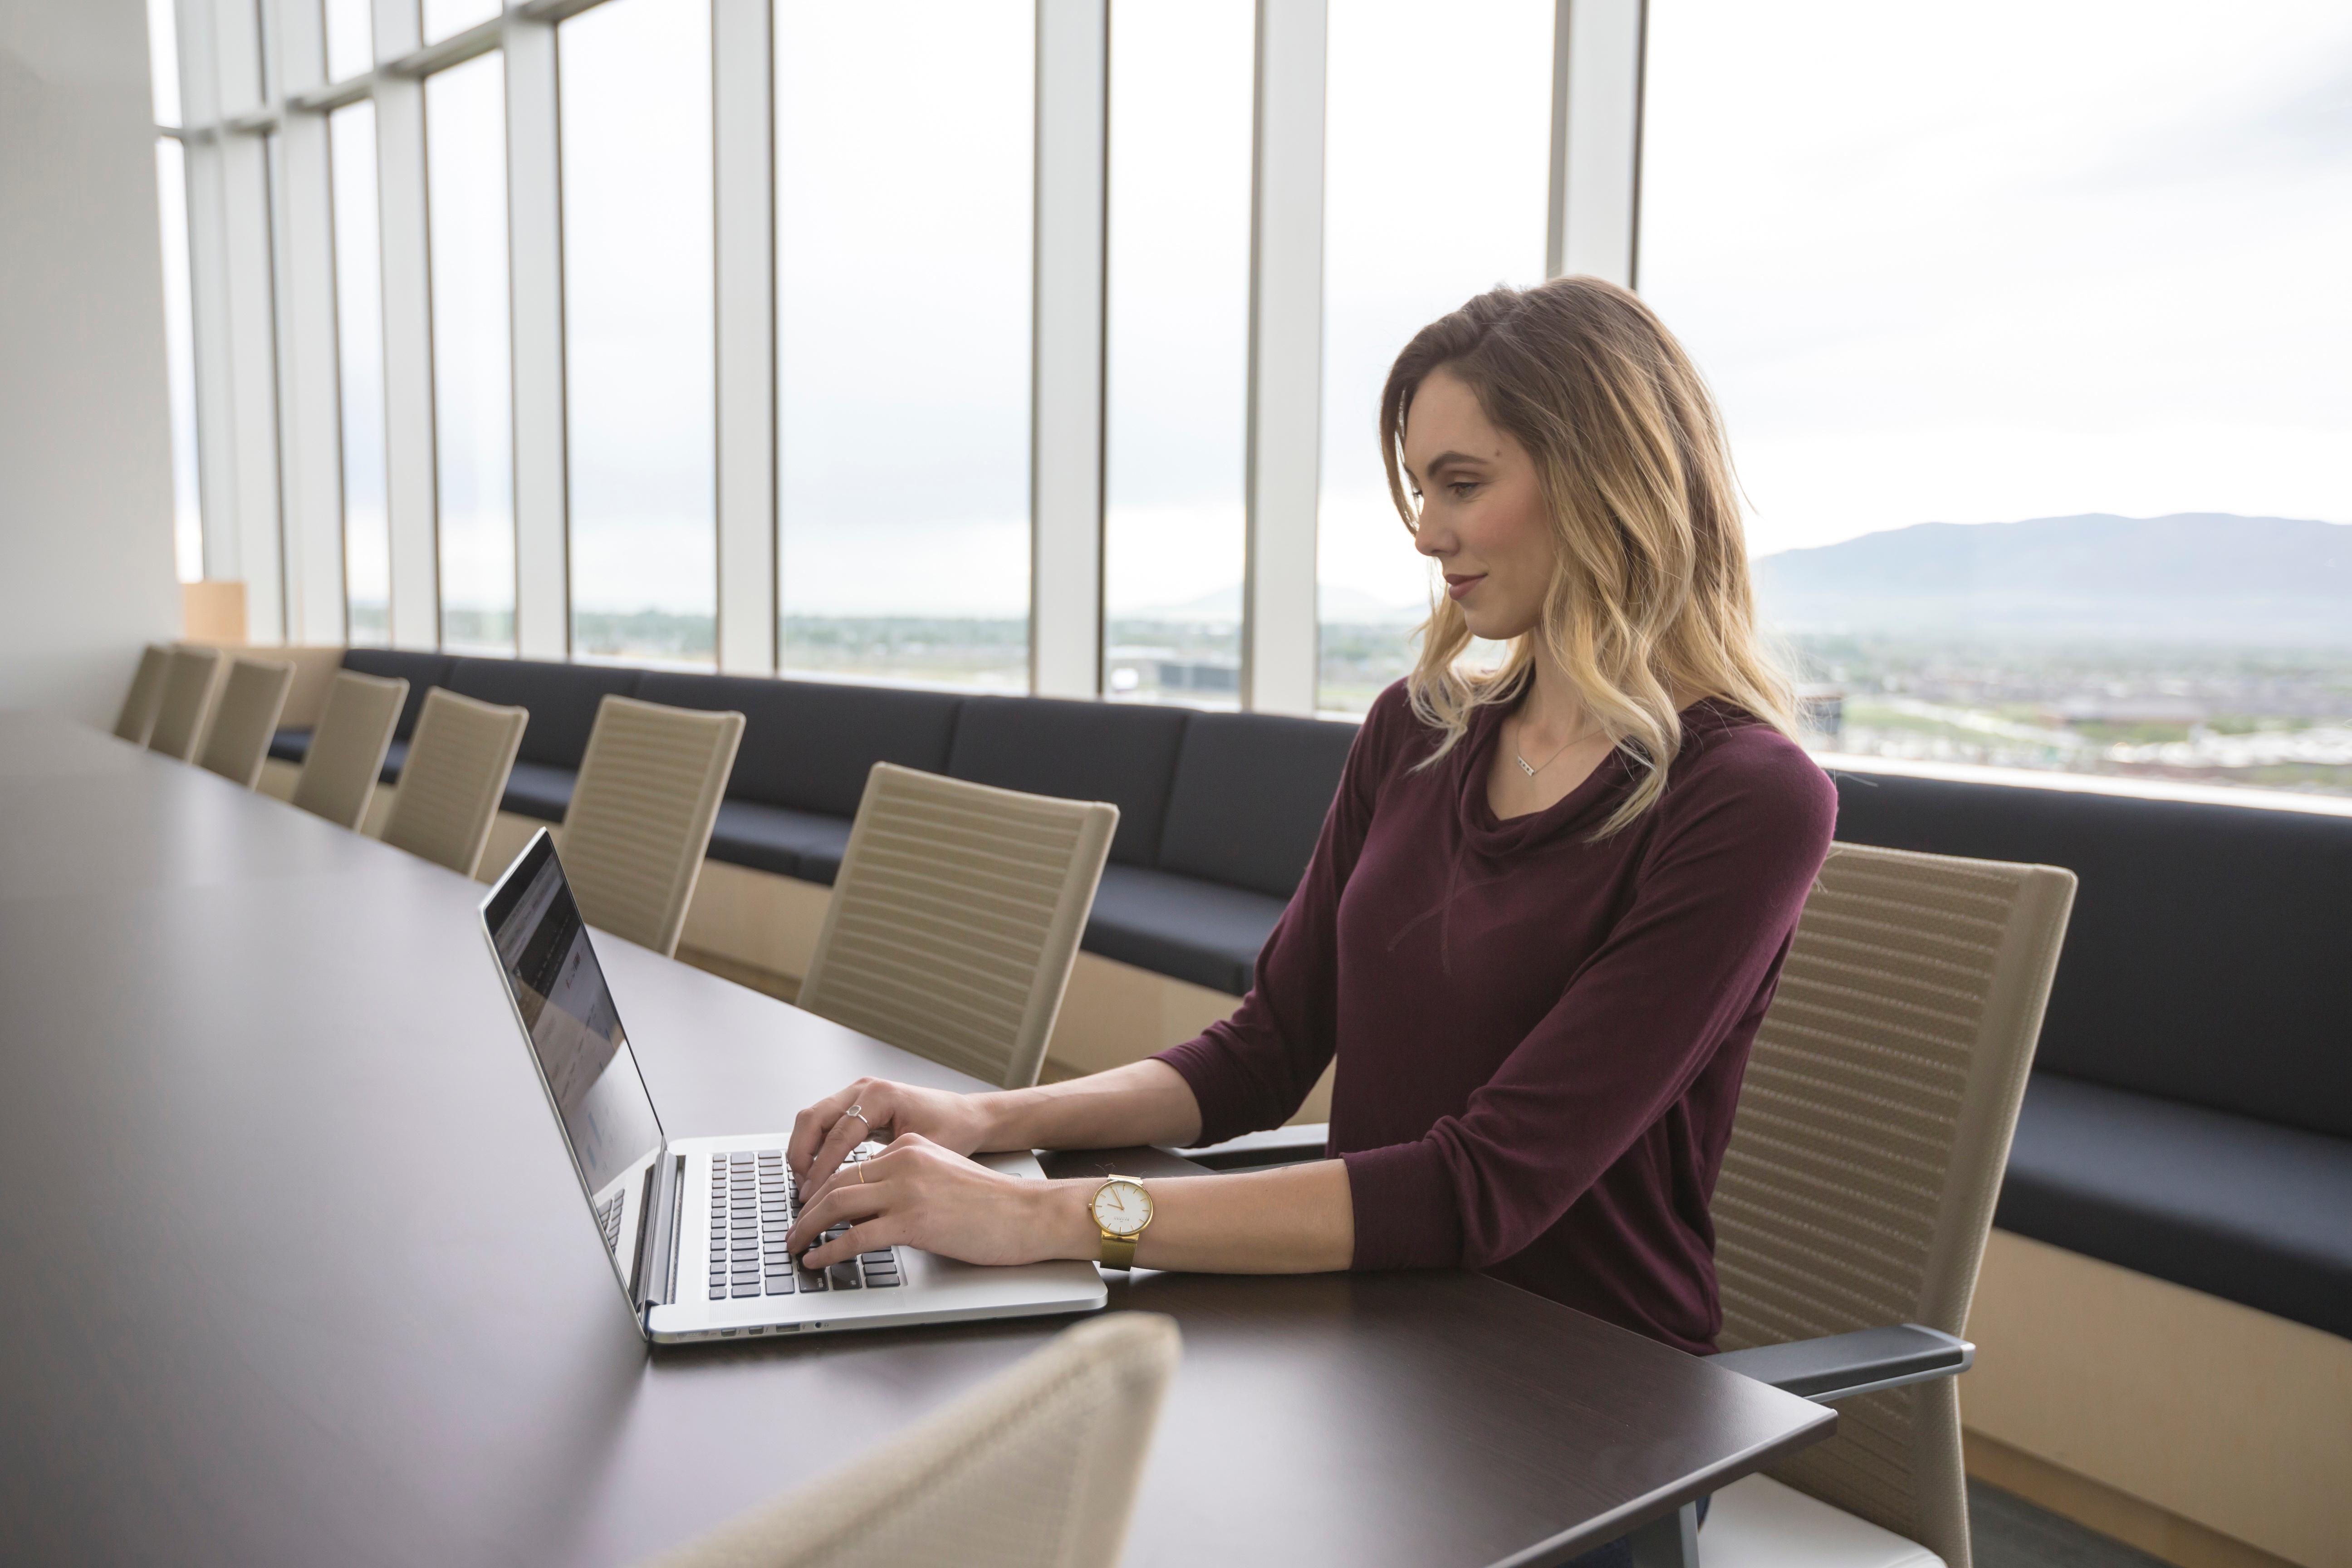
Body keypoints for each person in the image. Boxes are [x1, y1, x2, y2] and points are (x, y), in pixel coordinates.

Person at [784, 274, 1836, 1364]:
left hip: (1583, 1397)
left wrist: (1046, 1216)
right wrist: (985, 1121)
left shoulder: (1744, 799)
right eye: (1422, 491)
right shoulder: (1414, 731)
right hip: (1360, 1329)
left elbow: (1484, 1188)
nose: (1429, 534)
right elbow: (1266, 1050)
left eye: (1463, 485)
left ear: (1606, 479)